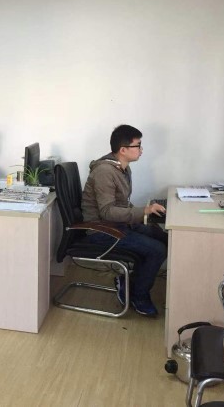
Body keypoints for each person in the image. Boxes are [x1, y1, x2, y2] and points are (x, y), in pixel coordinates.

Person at [82, 124, 167, 317]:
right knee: (157, 250)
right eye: (138, 145)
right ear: (123, 150)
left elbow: (122, 204)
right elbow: (107, 212)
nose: (141, 150)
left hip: (118, 224)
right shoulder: (105, 172)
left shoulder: (122, 169)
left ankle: (129, 283)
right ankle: (138, 296)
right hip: (102, 230)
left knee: (162, 236)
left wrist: (145, 213)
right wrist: (144, 210)